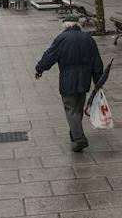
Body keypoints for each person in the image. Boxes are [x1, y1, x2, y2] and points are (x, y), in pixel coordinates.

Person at [35, 18, 104, 152]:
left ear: (65, 26)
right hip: (84, 79)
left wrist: (40, 69)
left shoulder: (62, 38)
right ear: (78, 25)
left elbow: (50, 56)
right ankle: (75, 135)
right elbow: (97, 61)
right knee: (78, 108)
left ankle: (79, 138)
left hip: (68, 79)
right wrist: (98, 81)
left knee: (70, 108)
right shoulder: (88, 38)